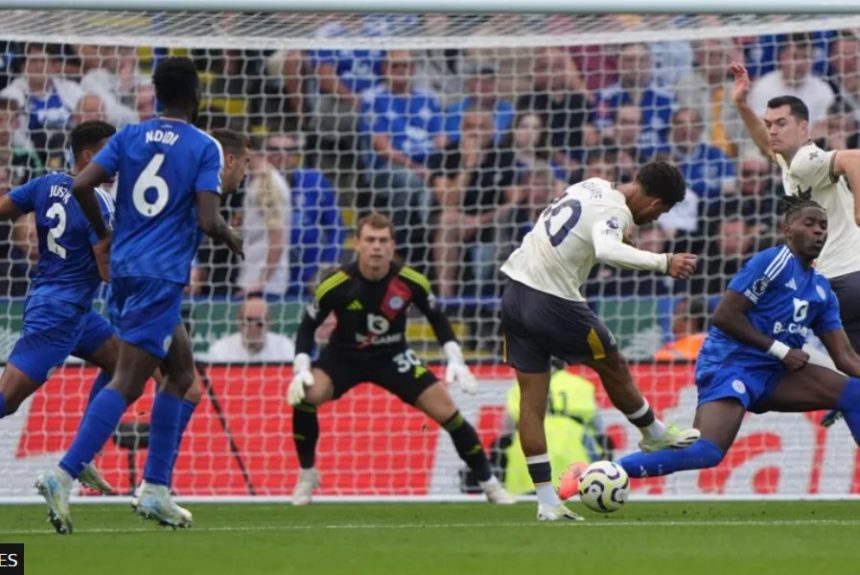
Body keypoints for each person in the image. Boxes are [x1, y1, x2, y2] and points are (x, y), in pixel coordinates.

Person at [35, 57, 243, 534]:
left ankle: (155, 488)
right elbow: (209, 220)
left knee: (182, 372)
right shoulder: (204, 146)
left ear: (156, 93)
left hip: (126, 270)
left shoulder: (128, 135)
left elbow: (83, 183)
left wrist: (104, 234)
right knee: (128, 382)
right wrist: (231, 237)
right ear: (195, 96)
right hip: (160, 274)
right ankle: (62, 474)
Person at [559, 198, 860, 487]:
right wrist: (781, 350)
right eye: (810, 224)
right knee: (707, 452)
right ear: (788, 230)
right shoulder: (772, 262)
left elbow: (846, 357)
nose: (819, 231)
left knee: (855, 394)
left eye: (823, 226)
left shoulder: (820, 289)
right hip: (731, 365)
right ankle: (601, 472)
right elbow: (725, 317)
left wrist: (781, 357)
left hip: (775, 373)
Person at [499, 161, 700, 521]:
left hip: (514, 294)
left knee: (531, 405)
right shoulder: (616, 212)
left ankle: (546, 502)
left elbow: (592, 230)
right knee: (612, 363)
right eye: (661, 213)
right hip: (553, 301)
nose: (654, 220)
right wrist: (663, 261)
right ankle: (652, 432)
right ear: (655, 204)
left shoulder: (593, 185)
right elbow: (607, 250)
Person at [286, 213, 515, 507]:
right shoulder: (337, 284)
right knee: (306, 395)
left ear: (393, 246)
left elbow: (438, 319)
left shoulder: (410, 281)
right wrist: (301, 367)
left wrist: (455, 359)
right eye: (370, 240)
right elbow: (307, 328)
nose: (376, 247)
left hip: (393, 356)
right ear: (358, 244)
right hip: (343, 357)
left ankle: (491, 485)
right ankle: (307, 475)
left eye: (383, 241)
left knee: (449, 412)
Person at [0, 121, 118, 496]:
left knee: (122, 363)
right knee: (8, 400)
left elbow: (4, 208)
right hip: (58, 314)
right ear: (88, 155)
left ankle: (82, 457)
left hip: (74, 310)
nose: (117, 161)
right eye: (109, 152)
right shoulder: (99, 203)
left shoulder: (44, 184)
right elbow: (110, 264)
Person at [730, 63, 860, 351]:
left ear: (803, 127)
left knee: (779, 350)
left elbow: (855, 160)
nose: (773, 131)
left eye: (781, 124)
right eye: (770, 124)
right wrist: (741, 104)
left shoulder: (805, 160)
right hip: (844, 278)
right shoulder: (790, 159)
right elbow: (766, 145)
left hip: (842, 279)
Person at [501, 359, 609, 495]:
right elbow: (598, 425)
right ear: (564, 363)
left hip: (528, 452)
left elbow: (506, 428)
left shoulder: (520, 386)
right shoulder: (580, 384)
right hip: (574, 451)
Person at [205, 297, 295, 362]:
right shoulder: (220, 350)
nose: (253, 327)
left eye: (259, 323)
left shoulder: (285, 348)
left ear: (268, 324)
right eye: (248, 321)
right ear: (239, 322)